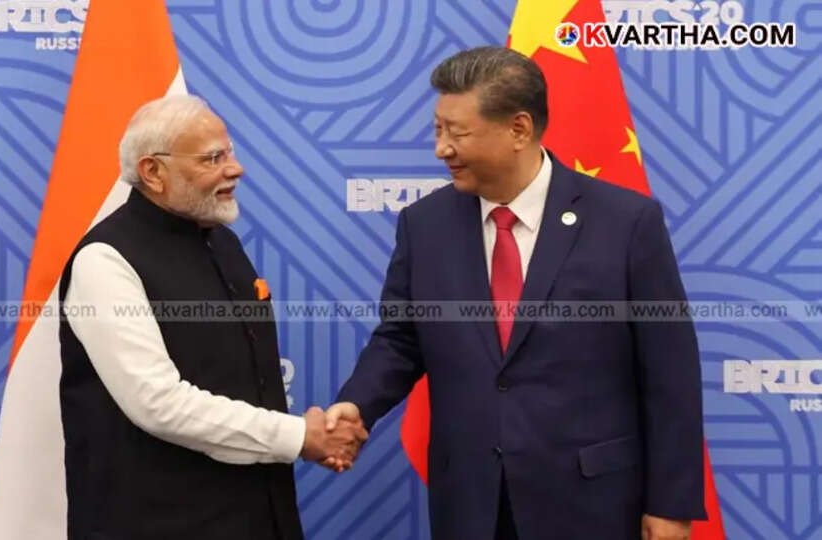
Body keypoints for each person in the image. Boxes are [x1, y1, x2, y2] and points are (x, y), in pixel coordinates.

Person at [325, 47, 706, 539]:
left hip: (592, 502)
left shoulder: (627, 222)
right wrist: (358, 404)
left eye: (457, 132)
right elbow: (401, 337)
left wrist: (671, 505)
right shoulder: (425, 225)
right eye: (438, 129)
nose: (441, 148)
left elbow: (669, 369)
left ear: (519, 130)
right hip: (471, 500)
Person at [57, 94, 367, 540]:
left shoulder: (222, 243)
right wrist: (299, 437)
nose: (234, 169)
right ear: (153, 172)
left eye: (231, 153)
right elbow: (158, 403)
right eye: (212, 158)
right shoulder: (105, 259)